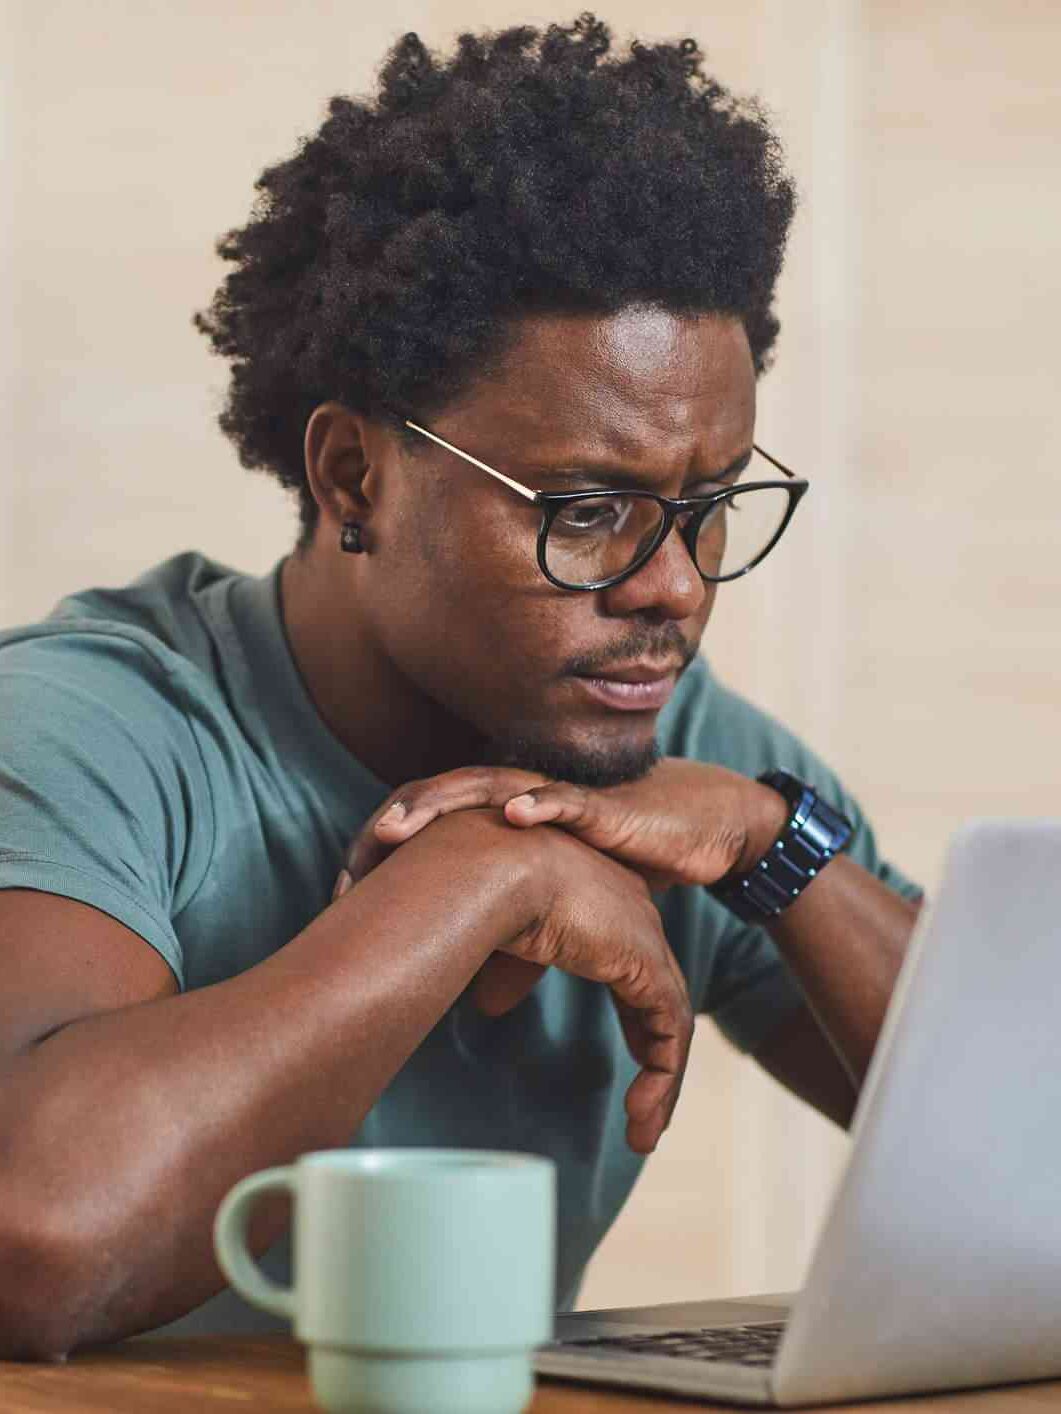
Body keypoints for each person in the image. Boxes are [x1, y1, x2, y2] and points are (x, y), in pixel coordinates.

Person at [0, 14, 921, 1360]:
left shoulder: (685, 763)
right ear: (353, 480)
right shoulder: (96, 731)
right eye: (589, 506)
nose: (672, 586)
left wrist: (777, 846)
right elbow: (39, 1240)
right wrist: (484, 871)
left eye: (709, 503)